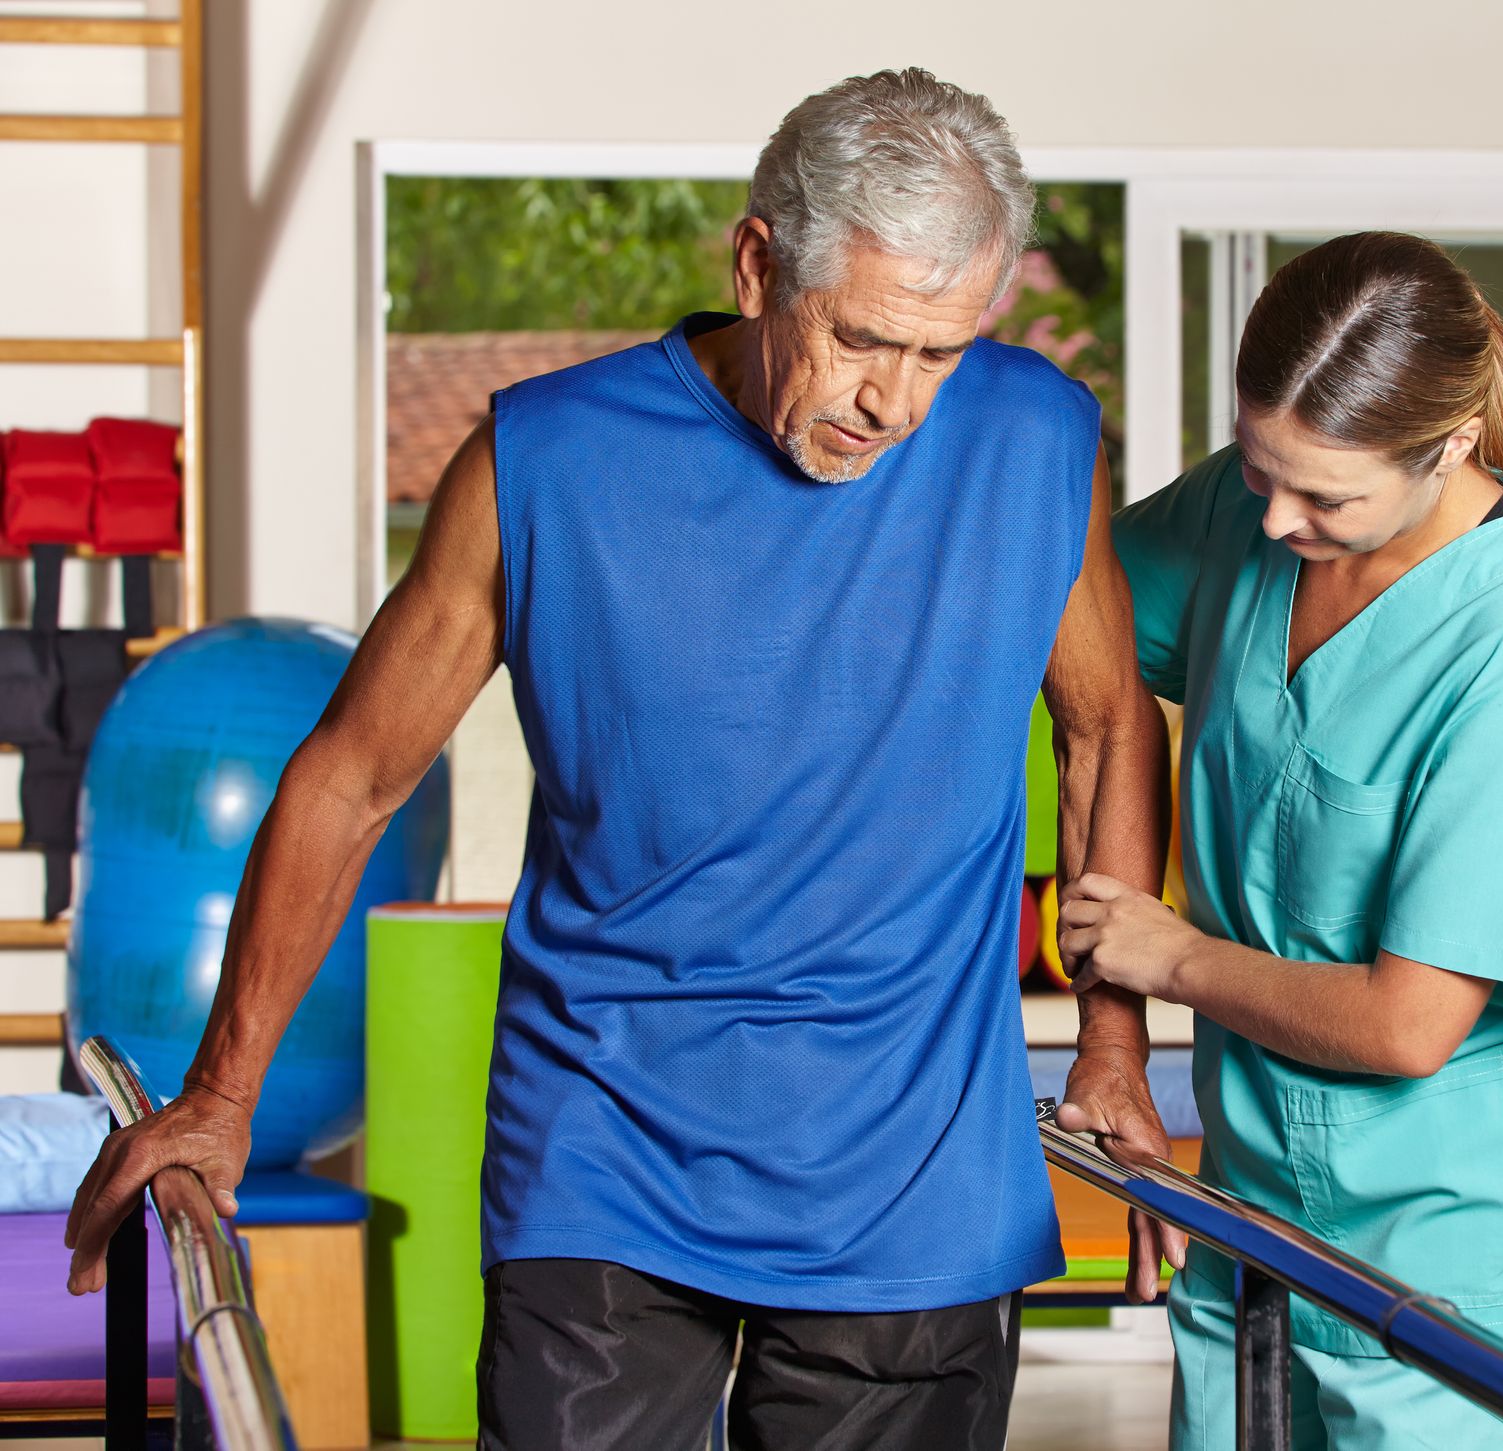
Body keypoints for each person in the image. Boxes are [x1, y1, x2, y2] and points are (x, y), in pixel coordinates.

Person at [63, 69, 1182, 1451]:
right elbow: (354, 774)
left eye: (940, 353)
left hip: (911, 1169)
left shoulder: (1033, 439)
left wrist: (1114, 1043)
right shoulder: (544, 458)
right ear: (760, 260)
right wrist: (223, 1095)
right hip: (606, 1154)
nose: (895, 401)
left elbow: (1107, 724)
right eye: (863, 340)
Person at [1062, 231, 1503, 1449]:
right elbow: (1089, 655)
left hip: (1464, 1246)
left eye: (1325, 494)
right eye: (1260, 465)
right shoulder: (1254, 506)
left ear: (1452, 444)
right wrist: (1109, 1035)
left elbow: (1408, 1020)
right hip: (1255, 1212)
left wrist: (1163, 961)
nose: (1272, 517)